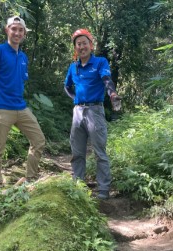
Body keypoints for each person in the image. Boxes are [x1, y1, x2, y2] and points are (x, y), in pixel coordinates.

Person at [0, 16, 45, 185]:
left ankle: (30, 180)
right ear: (7, 30)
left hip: (20, 107)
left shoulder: (23, 57)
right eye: (14, 29)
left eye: (21, 30)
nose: (17, 33)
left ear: (24, 33)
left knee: (38, 141)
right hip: (0, 108)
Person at [64, 29, 121, 200]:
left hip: (95, 111)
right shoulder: (73, 67)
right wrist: (75, 99)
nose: (82, 46)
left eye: (84, 43)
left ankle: (103, 191)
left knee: (99, 152)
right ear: (75, 48)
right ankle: (78, 188)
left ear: (91, 45)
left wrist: (112, 94)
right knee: (77, 153)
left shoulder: (100, 62)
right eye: (78, 44)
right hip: (77, 112)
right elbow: (67, 86)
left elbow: (106, 79)